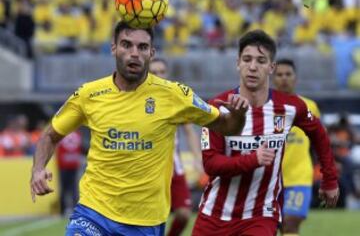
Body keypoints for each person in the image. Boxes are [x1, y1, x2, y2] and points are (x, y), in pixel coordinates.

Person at [30, 21, 249, 236]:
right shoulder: (89, 95)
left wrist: (239, 115)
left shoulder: (174, 95)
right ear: (114, 48)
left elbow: (228, 126)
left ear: (152, 52)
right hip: (93, 211)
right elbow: (51, 134)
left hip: (144, 222)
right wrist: (38, 169)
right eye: (126, 45)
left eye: (142, 47)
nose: (134, 53)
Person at [192, 29, 339, 236]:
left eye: (261, 61)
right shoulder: (218, 106)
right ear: (238, 63)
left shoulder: (290, 107)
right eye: (247, 59)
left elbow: (319, 134)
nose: (253, 67)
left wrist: (329, 179)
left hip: (261, 216)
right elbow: (211, 164)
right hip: (214, 214)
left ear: (271, 67)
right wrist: (254, 159)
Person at [150, 58, 203, 236]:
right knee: (154, 219)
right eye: (154, 72)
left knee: (184, 214)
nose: (159, 76)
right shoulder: (139, 99)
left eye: (162, 72)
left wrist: (197, 158)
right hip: (149, 171)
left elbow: (189, 131)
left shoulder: (175, 99)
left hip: (174, 169)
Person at [272, 58, 320, 236]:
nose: (284, 78)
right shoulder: (265, 107)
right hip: (269, 180)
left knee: (290, 225)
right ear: (273, 79)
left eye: (288, 74)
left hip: (299, 177)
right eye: (279, 75)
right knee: (269, 229)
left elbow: (318, 140)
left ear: (295, 78)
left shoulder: (310, 106)